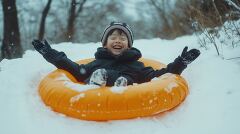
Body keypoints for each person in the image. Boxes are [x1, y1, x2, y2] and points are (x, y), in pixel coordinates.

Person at [32, 22, 200, 87]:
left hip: (127, 88)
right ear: (105, 43)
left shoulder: (137, 66)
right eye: (113, 37)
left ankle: (122, 84)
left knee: (129, 78)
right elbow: (74, 69)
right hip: (95, 89)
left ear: (128, 45)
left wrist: (181, 62)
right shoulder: (96, 63)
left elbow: (160, 75)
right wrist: (50, 54)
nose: (118, 40)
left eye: (122, 38)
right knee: (97, 73)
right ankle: (98, 80)